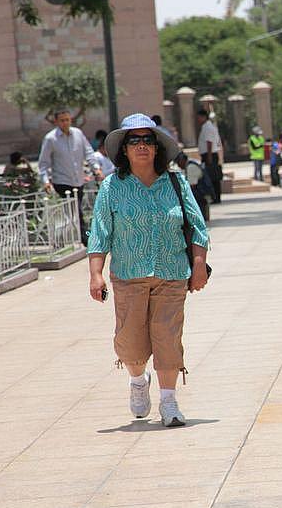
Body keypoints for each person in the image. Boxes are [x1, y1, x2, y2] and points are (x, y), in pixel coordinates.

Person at [88, 113, 209, 427]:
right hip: (129, 276)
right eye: (134, 140)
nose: (141, 146)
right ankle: (138, 381)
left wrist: (198, 265)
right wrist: (96, 273)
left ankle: (169, 403)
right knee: (131, 343)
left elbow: (197, 227)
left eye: (147, 140)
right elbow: (100, 231)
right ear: (124, 149)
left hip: (172, 274)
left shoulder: (176, 182)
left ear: (157, 148)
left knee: (168, 338)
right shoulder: (113, 186)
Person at [38, 109, 103, 245]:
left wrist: (96, 169)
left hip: (78, 180)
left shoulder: (78, 134)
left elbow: (89, 152)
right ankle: (88, 239)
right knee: (77, 213)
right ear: (56, 122)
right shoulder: (51, 139)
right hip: (62, 181)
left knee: (77, 213)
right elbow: (43, 162)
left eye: (67, 119)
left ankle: (80, 238)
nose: (65, 123)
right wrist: (45, 181)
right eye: (62, 120)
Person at [175, 152, 214, 222]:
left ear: (182, 160)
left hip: (203, 193)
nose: (178, 165)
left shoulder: (191, 167)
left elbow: (191, 187)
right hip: (201, 191)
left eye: (178, 162)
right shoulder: (190, 164)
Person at [196, 109, 223, 203]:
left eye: (199, 117)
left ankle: (216, 197)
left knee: (213, 177)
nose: (198, 119)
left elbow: (209, 143)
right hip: (208, 155)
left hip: (209, 155)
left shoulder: (207, 127)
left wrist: (209, 157)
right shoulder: (206, 127)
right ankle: (214, 196)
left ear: (203, 117)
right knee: (211, 177)